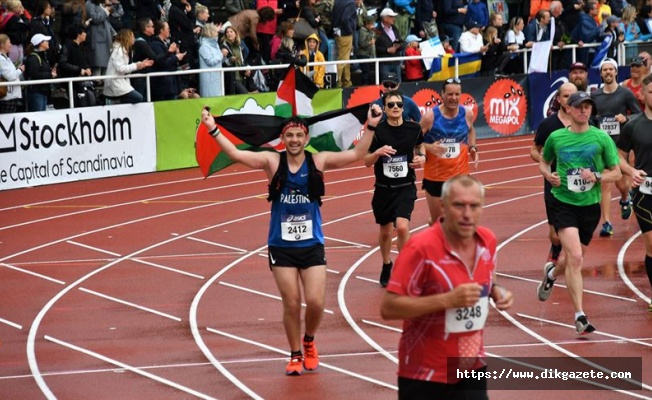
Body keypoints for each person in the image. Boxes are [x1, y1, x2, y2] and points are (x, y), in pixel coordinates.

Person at [200, 102, 382, 375]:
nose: (295, 140)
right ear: (282, 139)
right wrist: (213, 129)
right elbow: (236, 154)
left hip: (311, 243)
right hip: (281, 245)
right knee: (292, 302)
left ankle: (309, 340)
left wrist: (371, 125)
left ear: (306, 138)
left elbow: (357, 153)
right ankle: (295, 354)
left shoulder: (318, 160)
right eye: (290, 136)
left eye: (299, 135)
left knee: (317, 302)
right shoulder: (272, 161)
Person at [380, 175, 513, 399]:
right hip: (424, 373)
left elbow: (489, 276)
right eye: (459, 205)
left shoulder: (487, 240)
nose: (467, 214)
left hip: (471, 365)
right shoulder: (420, 248)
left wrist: (496, 290)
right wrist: (447, 300)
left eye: (474, 206)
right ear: (443, 206)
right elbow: (389, 308)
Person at [537, 91, 622, 334]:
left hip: (590, 207)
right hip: (563, 203)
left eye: (588, 107)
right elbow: (544, 161)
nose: (584, 110)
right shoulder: (556, 138)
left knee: (573, 259)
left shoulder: (601, 138)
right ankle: (580, 315)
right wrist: (548, 174)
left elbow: (615, 172)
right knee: (575, 257)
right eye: (579, 107)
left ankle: (552, 274)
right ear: (569, 110)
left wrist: (596, 176)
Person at [365, 90, 427, 287]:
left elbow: (421, 148)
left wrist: (422, 158)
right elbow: (366, 161)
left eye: (398, 105)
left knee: (401, 226)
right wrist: (378, 152)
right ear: (384, 108)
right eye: (390, 105)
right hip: (383, 188)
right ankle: (386, 264)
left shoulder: (413, 129)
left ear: (403, 107)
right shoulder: (378, 131)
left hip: (405, 186)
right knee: (385, 231)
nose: (395, 108)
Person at [530, 82, 578, 271]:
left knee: (575, 231)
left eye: (573, 96)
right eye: (565, 96)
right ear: (558, 99)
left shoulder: (585, 122)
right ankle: (556, 248)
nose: (569, 100)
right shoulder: (548, 124)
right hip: (555, 184)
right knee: (556, 234)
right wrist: (544, 162)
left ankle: (571, 262)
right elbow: (534, 150)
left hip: (579, 185)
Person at [591, 57, 641, 237]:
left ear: (616, 72)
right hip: (602, 145)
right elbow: (590, 118)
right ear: (601, 73)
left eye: (611, 69)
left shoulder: (626, 93)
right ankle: (606, 222)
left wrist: (625, 118)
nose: (608, 72)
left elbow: (638, 114)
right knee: (605, 182)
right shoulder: (595, 96)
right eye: (605, 70)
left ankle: (625, 198)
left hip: (620, 145)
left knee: (622, 183)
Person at [421, 78, 479, 226]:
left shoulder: (467, 114)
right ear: (442, 94)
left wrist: (472, 147)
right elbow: (413, 142)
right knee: (438, 222)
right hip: (435, 177)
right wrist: (429, 148)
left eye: (457, 94)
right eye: (450, 94)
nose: (453, 98)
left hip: (460, 176)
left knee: (458, 219)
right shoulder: (430, 117)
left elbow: (471, 130)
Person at [617, 73, 652, 313]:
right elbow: (618, 156)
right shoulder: (633, 125)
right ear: (642, 95)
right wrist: (631, 171)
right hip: (645, 195)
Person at [103, 28, 154, 103]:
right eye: (132, 36)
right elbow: (120, 68)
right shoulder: (118, 51)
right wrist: (137, 65)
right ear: (127, 38)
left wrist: (140, 65)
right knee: (138, 98)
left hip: (120, 82)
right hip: (115, 83)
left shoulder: (124, 50)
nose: (134, 38)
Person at [23, 33, 56, 112]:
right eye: (46, 41)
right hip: (36, 92)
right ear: (40, 43)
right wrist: (50, 75)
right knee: (37, 115)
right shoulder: (33, 58)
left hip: (43, 91)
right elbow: (34, 74)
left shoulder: (43, 56)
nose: (48, 42)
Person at [86, 0, 117, 76]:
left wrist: (113, 32)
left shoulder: (100, 4)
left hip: (106, 36)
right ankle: (96, 82)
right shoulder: (89, 4)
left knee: (106, 64)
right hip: (96, 36)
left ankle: (104, 82)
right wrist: (106, 11)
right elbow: (94, 19)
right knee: (98, 63)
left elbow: (106, 21)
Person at [331, 0, 356, 88]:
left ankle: (346, 81)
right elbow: (345, 18)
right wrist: (350, 31)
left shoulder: (337, 1)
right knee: (343, 58)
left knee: (345, 57)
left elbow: (333, 17)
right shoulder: (351, 3)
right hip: (345, 33)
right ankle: (338, 81)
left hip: (337, 32)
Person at [374, 8, 403, 84]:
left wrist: (398, 46)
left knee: (398, 85)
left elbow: (401, 42)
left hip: (396, 62)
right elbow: (374, 47)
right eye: (391, 16)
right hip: (385, 63)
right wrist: (387, 50)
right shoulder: (376, 30)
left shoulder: (395, 29)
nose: (393, 18)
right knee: (386, 85)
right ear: (385, 18)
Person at [198, 22, 224, 98]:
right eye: (215, 31)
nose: (217, 33)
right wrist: (222, 54)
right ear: (210, 32)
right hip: (209, 79)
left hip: (217, 77)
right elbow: (211, 61)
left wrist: (224, 57)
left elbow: (219, 60)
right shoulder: (204, 47)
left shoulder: (215, 44)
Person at [0, 34, 25, 114]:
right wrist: (20, 70)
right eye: (9, 43)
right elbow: (10, 76)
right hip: (7, 96)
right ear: (2, 45)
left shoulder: (5, 58)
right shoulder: (1, 59)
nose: (11, 45)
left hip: (11, 95)